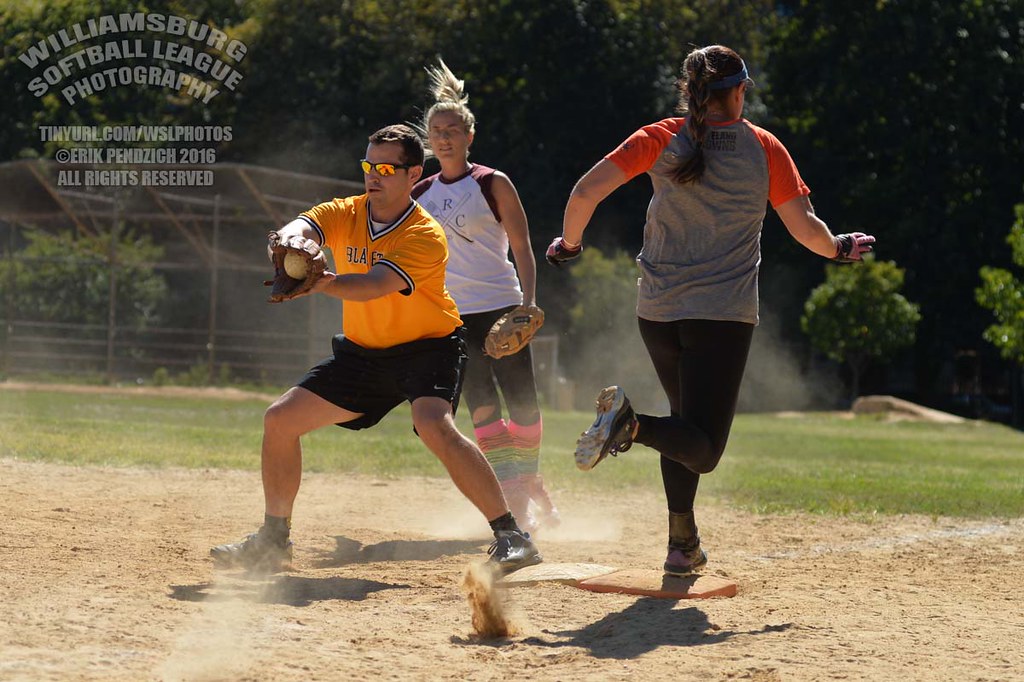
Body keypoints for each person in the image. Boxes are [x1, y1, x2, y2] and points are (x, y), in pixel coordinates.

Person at [546, 45, 875, 577]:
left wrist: (569, 245)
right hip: (721, 315)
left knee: (685, 424)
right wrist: (839, 248)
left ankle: (682, 544)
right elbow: (804, 228)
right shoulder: (764, 148)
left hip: (657, 310)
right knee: (704, 450)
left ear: (689, 90)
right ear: (740, 91)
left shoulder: (659, 137)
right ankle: (630, 426)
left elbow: (585, 192)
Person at [211, 124, 542, 575]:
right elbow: (304, 224)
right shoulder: (347, 211)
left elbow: (373, 286)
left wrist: (319, 282)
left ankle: (512, 536)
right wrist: (291, 242)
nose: (374, 175)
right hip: (364, 354)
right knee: (280, 420)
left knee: (433, 425)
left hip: (429, 348)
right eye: (369, 165)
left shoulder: (425, 234)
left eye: (387, 169)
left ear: (413, 175)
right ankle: (273, 541)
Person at [411, 58, 559, 534]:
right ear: (428, 138)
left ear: (469, 135)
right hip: (452, 315)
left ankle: (528, 483)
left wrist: (528, 302)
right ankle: (515, 494)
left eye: (452, 130)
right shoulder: (420, 192)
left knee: (524, 404)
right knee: (482, 407)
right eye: (437, 131)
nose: (444, 138)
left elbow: (522, 247)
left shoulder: (492, 183)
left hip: (501, 307)